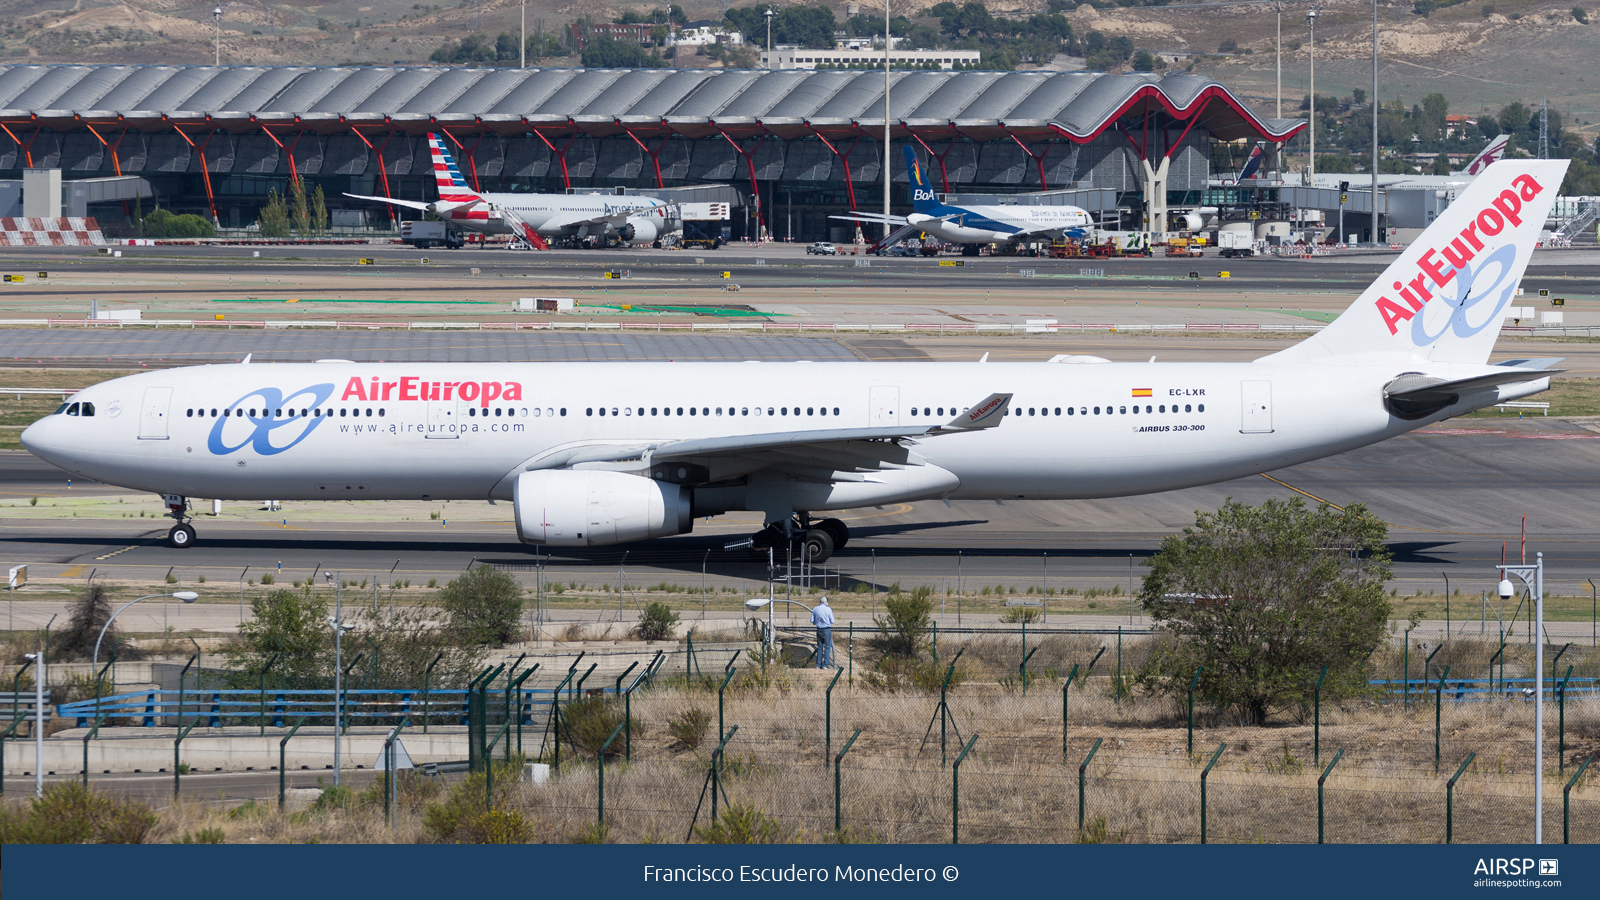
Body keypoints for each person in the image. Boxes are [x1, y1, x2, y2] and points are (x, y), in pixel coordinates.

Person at [811, 595, 835, 669]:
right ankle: (825, 665)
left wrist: (817, 622)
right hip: (827, 629)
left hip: (819, 629)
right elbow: (832, 621)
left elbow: (812, 620)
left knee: (819, 647)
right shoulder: (828, 609)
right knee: (827, 647)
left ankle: (818, 665)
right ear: (826, 602)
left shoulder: (815, 609)